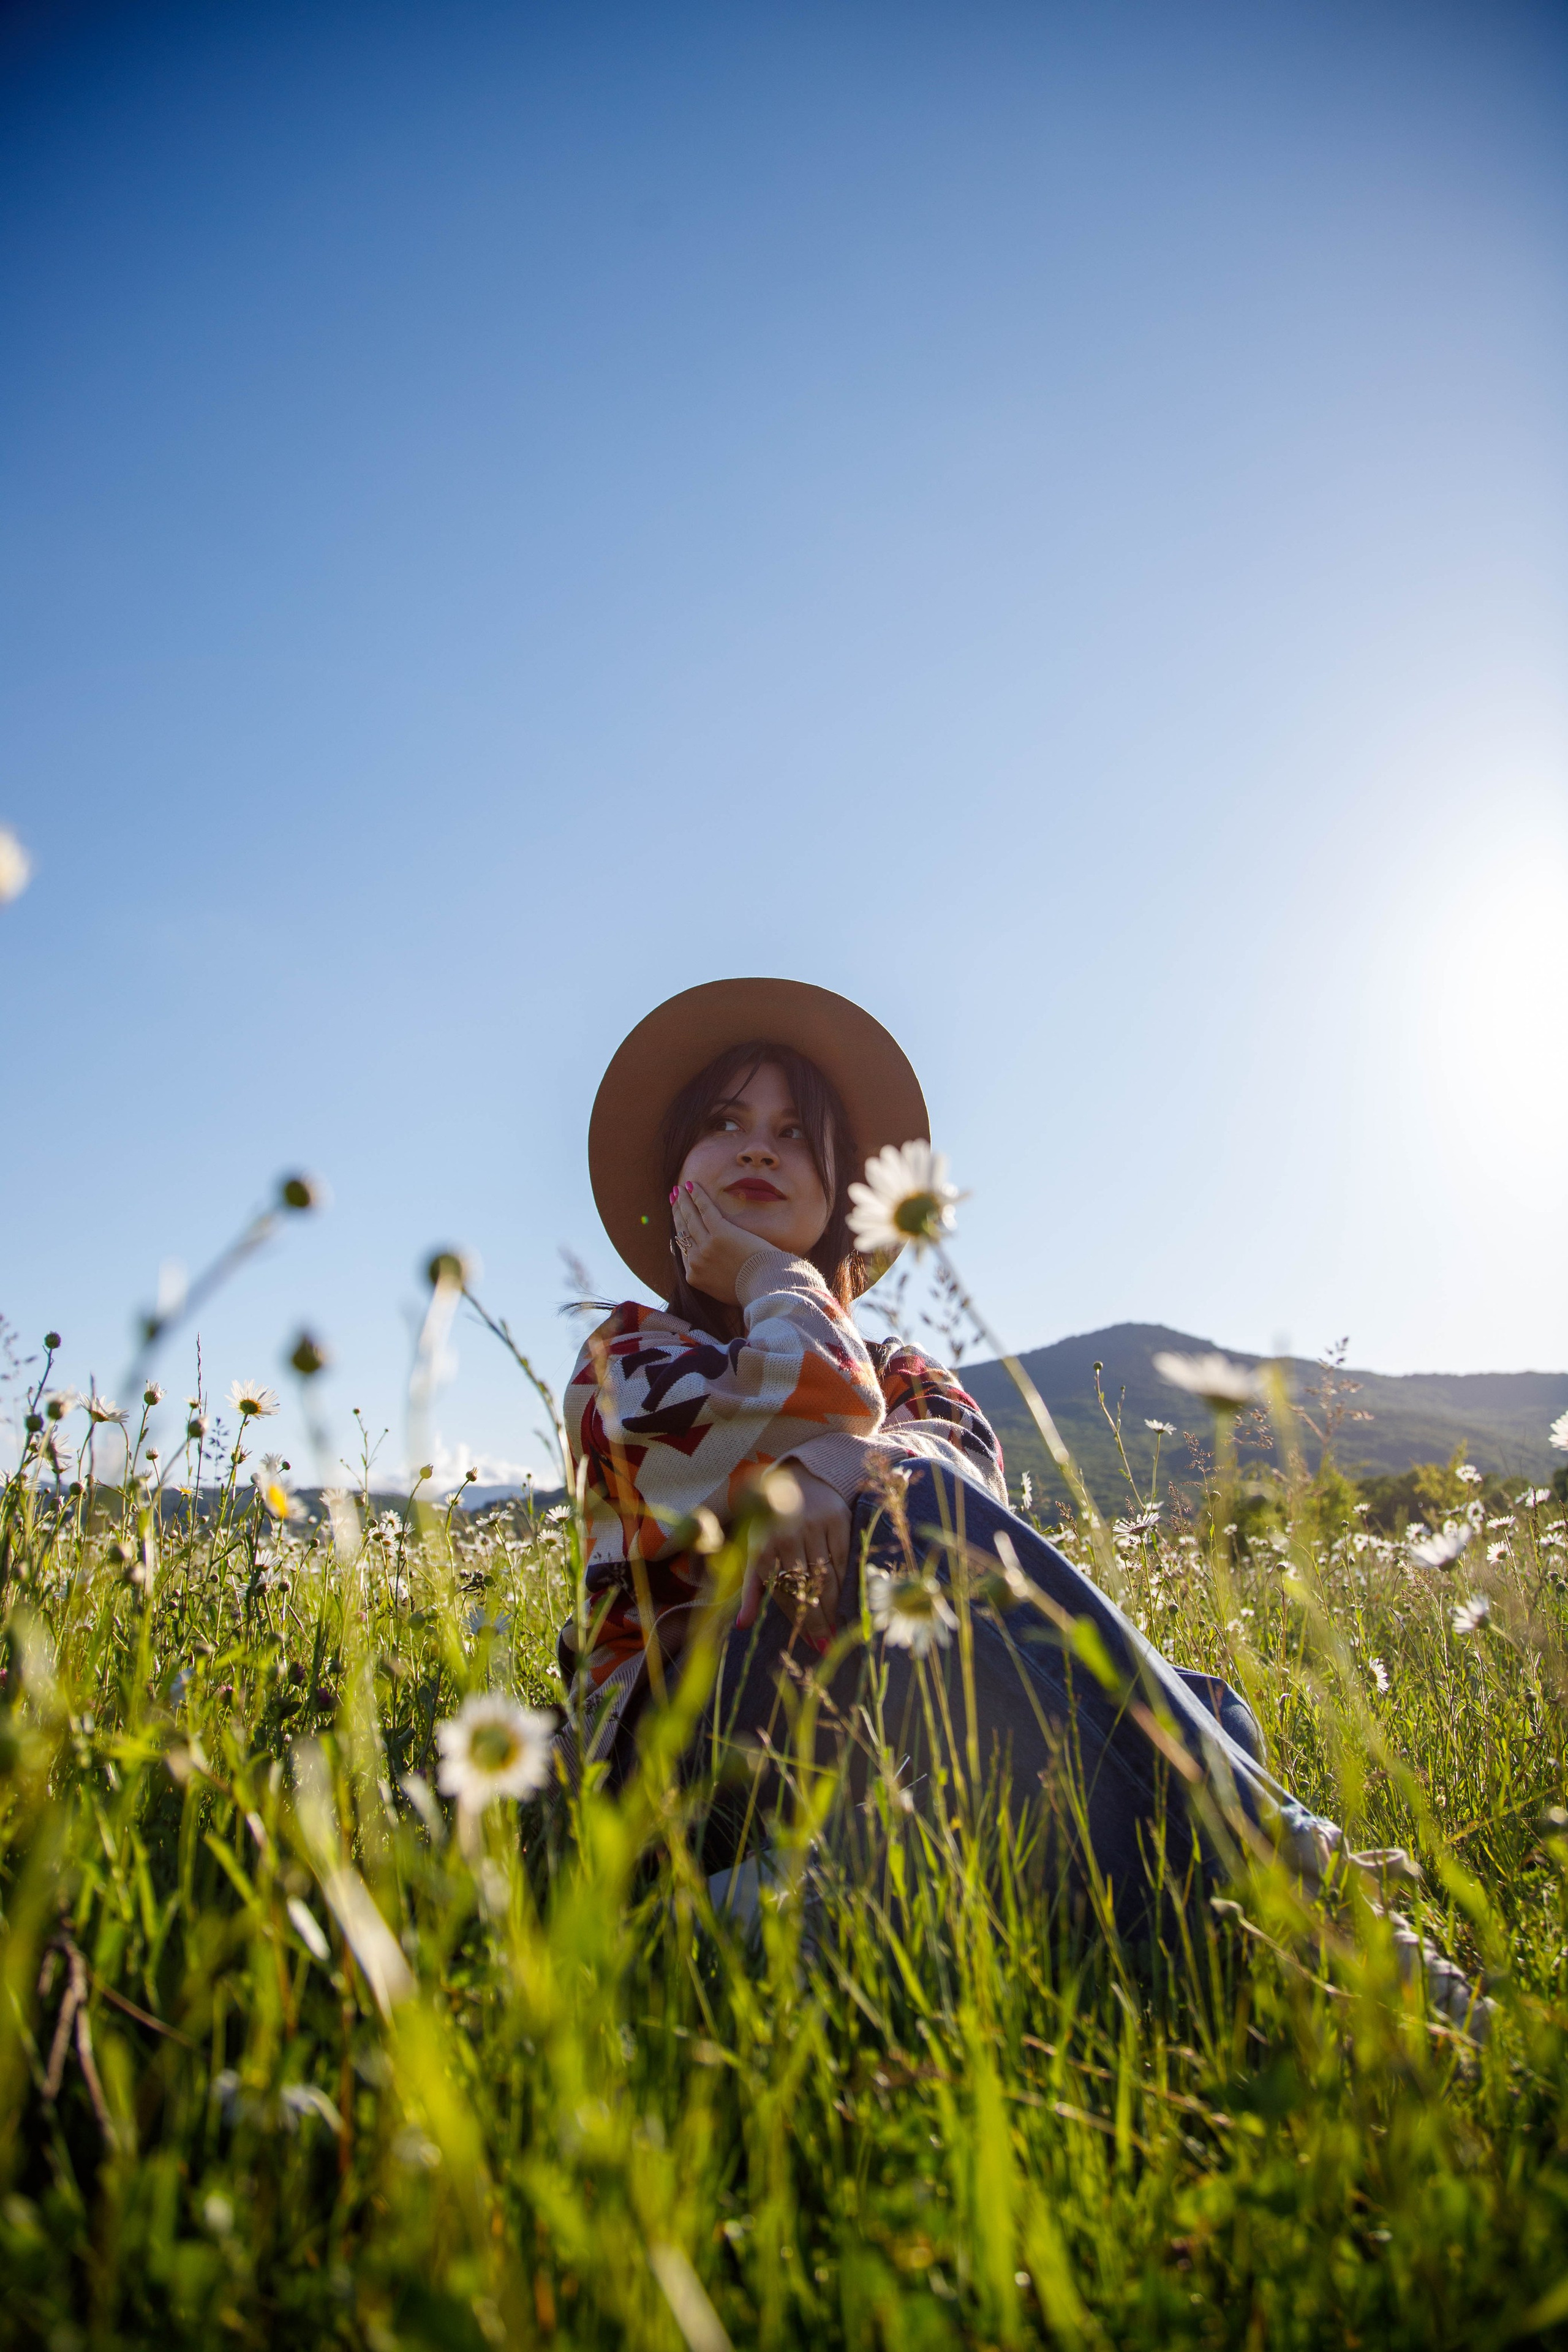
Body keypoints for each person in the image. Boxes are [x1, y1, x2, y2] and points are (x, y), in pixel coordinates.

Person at [557, 979, 1485, 2019]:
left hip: (886, 1744)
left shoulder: (907, 1368)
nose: (759, 1149)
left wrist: (827, 1472)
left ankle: (835, 1899)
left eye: (793, 1134)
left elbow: (967, 1490)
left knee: (1195, 1700)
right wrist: (780, 1288)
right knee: (1149, 1705)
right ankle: (1298, 1881)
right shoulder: (629, 1358)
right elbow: (821, 1412)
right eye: (725, 1125)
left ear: (839, 1191)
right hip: (700, 1762)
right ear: (675, 1176)